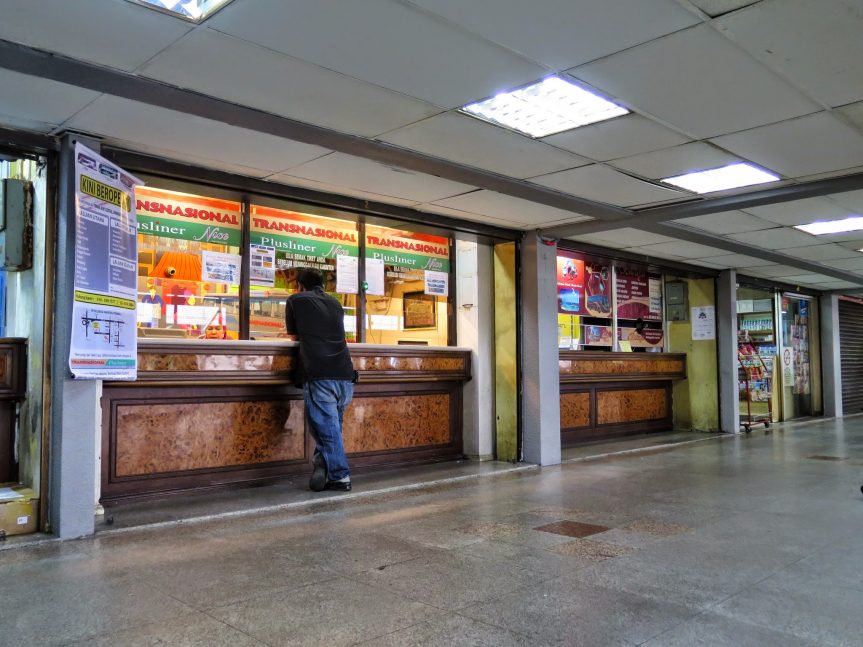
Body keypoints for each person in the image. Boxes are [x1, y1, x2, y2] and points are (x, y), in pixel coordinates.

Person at [285, 267, 356, 492]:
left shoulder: (296, 300)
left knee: (326, 430)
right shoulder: (336, 303)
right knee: (331, 429)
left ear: (299, 285)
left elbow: (294, 335)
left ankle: (339, 476)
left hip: (320, 373)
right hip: (345, 375)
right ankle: (322, 464)